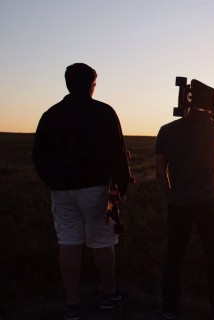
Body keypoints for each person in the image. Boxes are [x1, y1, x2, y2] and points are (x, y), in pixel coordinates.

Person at [33, 63, 131, 320]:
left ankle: (71, 304)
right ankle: (109, 294)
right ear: (92, 84)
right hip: (96, 188)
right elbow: (117, 151)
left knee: (68, 242)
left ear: (67, 84)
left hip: (61, 189)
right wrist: (121, 186)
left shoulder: (50, 115)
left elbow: (38, 155)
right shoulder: (104, 112)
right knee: (102, 241)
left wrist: (51, 181)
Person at [155, 91, 214, 320]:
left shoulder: (166, 130)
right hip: (210, 201)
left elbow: (160, 172)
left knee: (174, 256)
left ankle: (170, 307)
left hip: (179, 203)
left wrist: (169, 196)